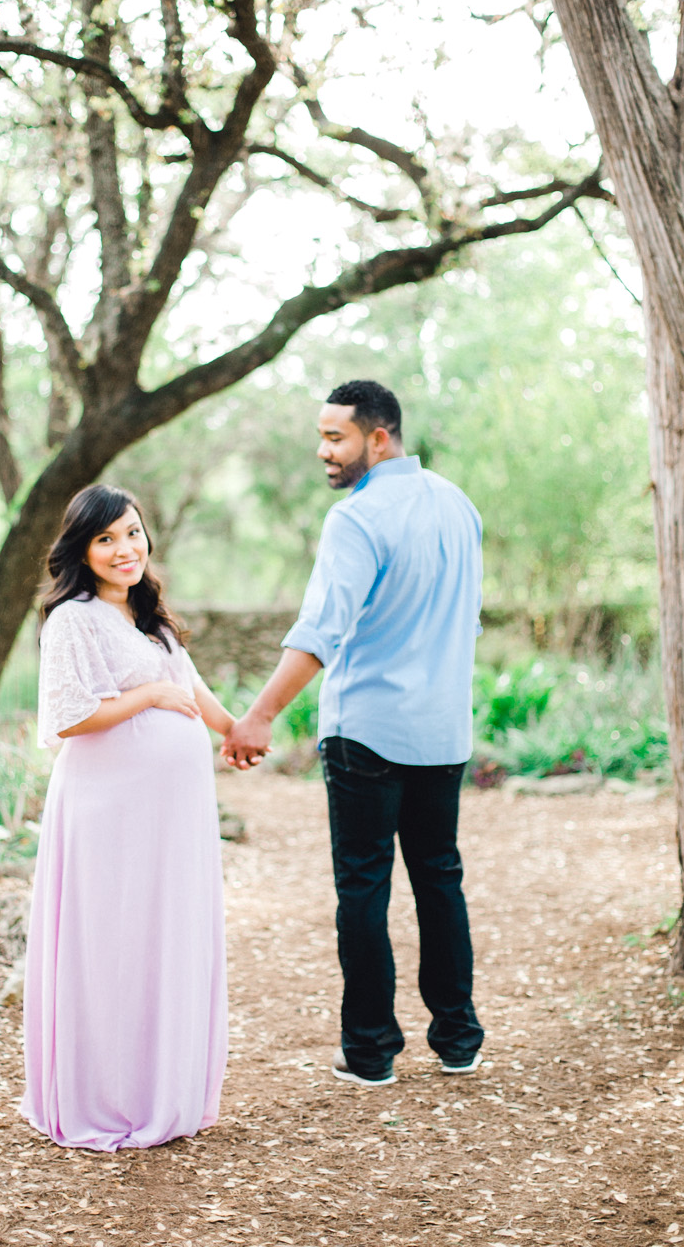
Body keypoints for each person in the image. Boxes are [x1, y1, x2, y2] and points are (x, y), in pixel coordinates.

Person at [223, 379, 485, 1084]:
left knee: (364, 889)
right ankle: (458, 1040)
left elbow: (320, 633)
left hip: (366, 731)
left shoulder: (357, 519)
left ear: (378, 436)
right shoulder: (458, 507)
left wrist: (261, 715)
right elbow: (469, 619)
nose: (322, 450)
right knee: (440, 880)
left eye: (335, 436)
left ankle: (371, 1051)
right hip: (442, 730)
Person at [21, 483, 234, 1151]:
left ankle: (160, 1087)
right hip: (109, 815)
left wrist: (237, 731)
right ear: (82, 549)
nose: (125, 549)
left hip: (170, 819)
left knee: (162, 936)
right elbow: (71, 716)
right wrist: (143, 695)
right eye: (107, 538)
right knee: (112, 942)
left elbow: (189, 687)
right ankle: (108, 1096)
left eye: (133, 533)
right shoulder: (74, 620)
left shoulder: (149, 617)